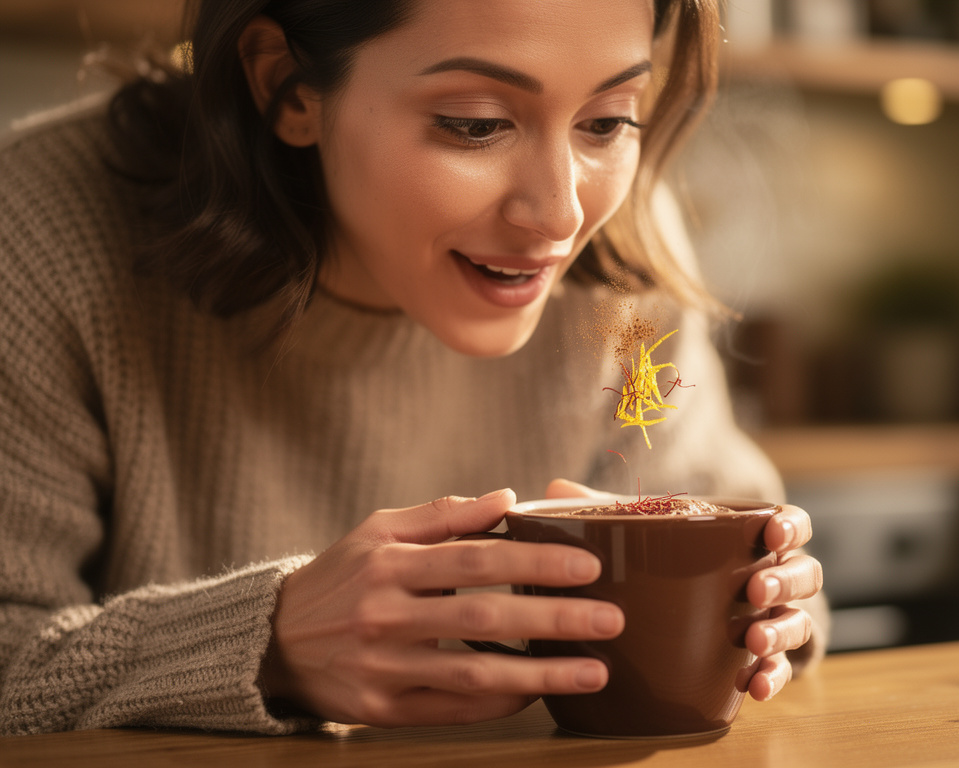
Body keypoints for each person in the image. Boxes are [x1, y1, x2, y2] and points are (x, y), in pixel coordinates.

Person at [0, 0, 827, 736]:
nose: (561, 212)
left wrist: (768, 606)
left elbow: (771, 575)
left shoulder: (624, 257)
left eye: (607, 120)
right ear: (288, 87)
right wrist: (268, 644)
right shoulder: (38, 232)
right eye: (474, 123)